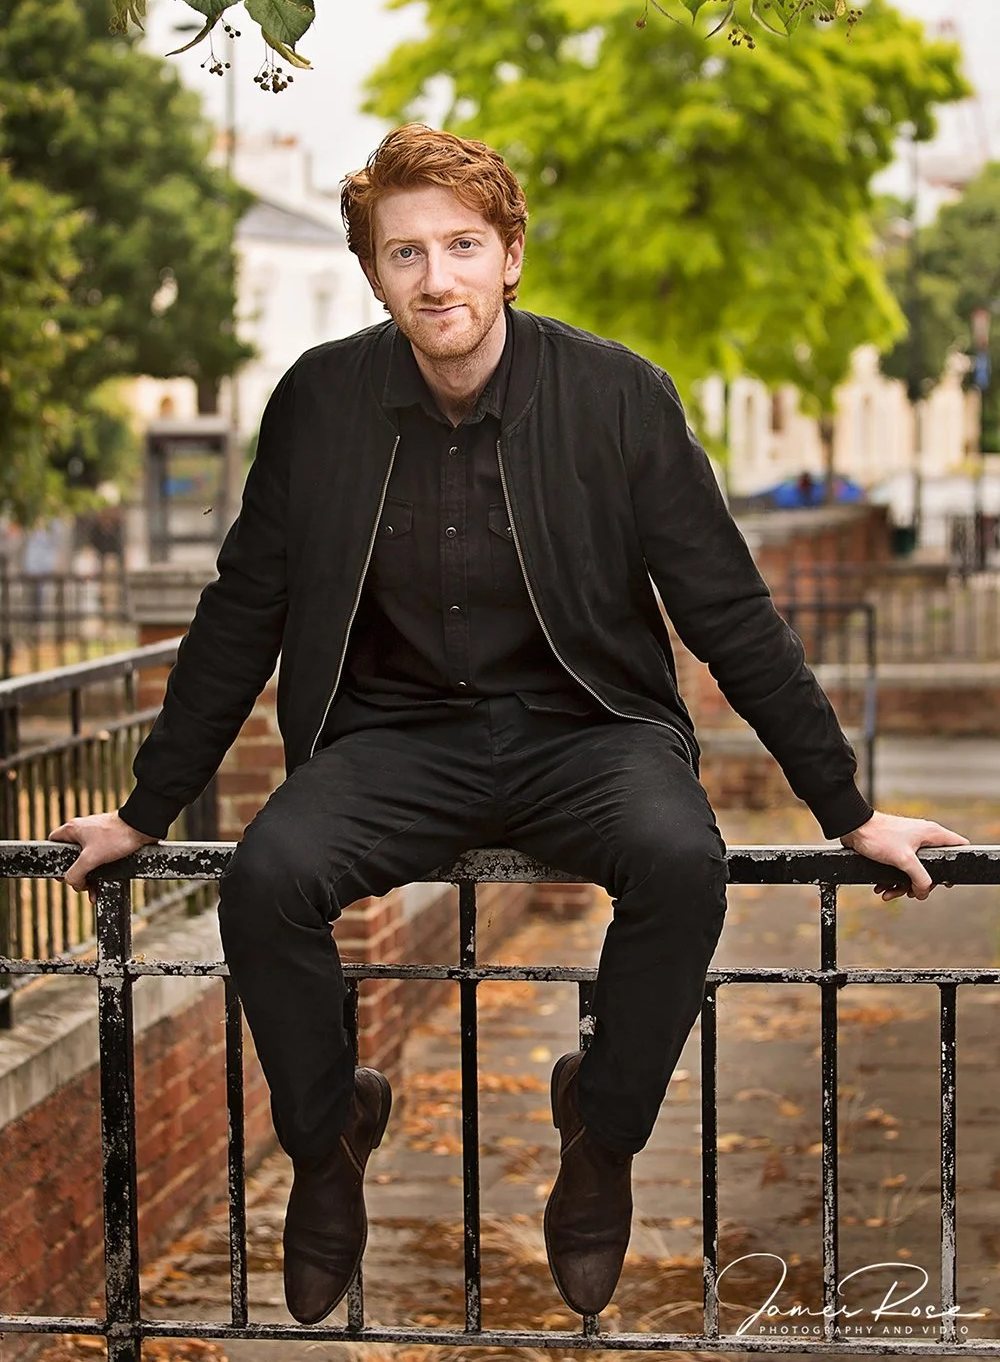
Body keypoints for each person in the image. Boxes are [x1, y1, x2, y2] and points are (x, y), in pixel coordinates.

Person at [51, 125, 968, 1326]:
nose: (438, 278)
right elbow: (242, 612)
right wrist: (143, 809)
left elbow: (727, 608)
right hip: (392, 742)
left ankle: (601, 1134)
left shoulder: (619, 395)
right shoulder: (320, 401)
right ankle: (328, 1147)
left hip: (588, 732)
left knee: (684, 861)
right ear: (375, 273)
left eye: (463, 246)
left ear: (511, 255)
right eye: (406, 254)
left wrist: (844, 810)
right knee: (267, 875)